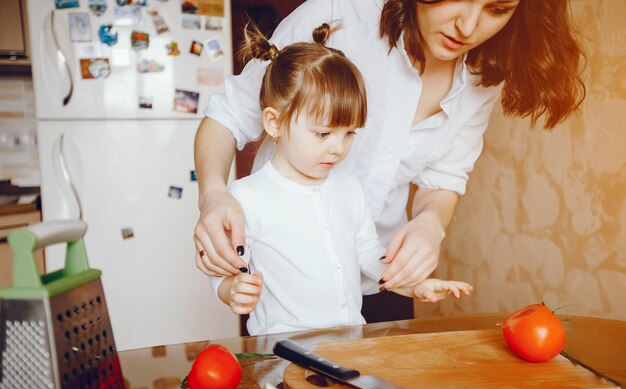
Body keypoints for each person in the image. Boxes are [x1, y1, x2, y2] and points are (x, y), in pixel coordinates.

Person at [194, 0, 585, 294]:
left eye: (497, 9)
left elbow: (444, 178)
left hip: (381, 279)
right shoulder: (340, 12)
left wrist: (431, 223)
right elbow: (229, 116)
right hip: (282, 279)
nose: (467, 26)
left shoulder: (483, 76)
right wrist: (213, 194)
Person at [207, 23, 473, 335]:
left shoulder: (348, 187)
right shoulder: (247, 197)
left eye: (348, 133)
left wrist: (415, 285)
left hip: (350, 344)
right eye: (322, 133)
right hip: (281, 351)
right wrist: (229, 289)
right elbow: (223, 266)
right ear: (274, 122)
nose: (338, 148)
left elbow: (371, 258)